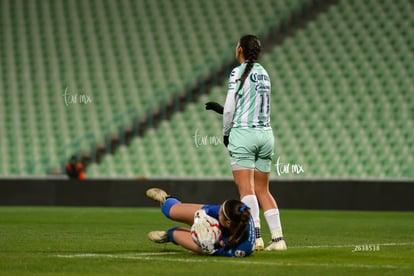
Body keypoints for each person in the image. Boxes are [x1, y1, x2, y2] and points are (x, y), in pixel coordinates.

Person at [205, 34, 286, 251]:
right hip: (266, 135)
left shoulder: (237, 72)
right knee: (263, 190)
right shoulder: (264, 73)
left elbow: (231, 108)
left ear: (240, 50)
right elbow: (253, 106)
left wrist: (225, 132)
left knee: (246, 189)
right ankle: (278, 240)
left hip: (244, 135)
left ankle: (256, 237)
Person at [146, 188, 256, 257]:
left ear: (228, 223)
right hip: (216, 223)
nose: (219, 212)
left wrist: (209, 246)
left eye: (221, 214)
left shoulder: (242, 248)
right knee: (169, 211)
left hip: (217, 241)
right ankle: (166, 199)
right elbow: (206, 210)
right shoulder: (235, 211)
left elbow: (217, 251)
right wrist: (201, 220)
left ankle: (168, 236)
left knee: (174, 234)